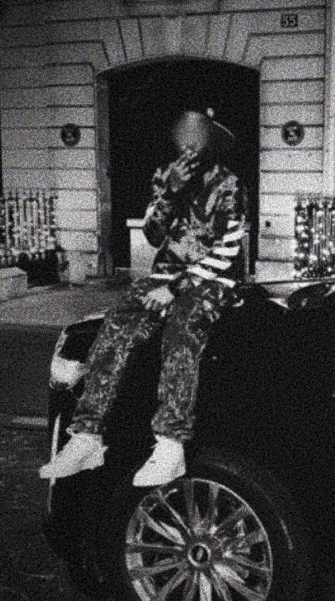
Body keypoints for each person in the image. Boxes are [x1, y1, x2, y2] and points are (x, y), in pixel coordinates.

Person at [39, 109, 247, 486]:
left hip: (211, 280)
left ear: (210, 145)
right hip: (164, 274)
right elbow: (153, 235)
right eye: (183, 143)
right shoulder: (164, 177)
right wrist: (169, 192)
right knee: (117, 322)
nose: (188, 151)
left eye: (196, 143)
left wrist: (174, 288)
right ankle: (87, 436)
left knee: (183, 329)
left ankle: (170, 446)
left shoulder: (228, 184)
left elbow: (227, 252)